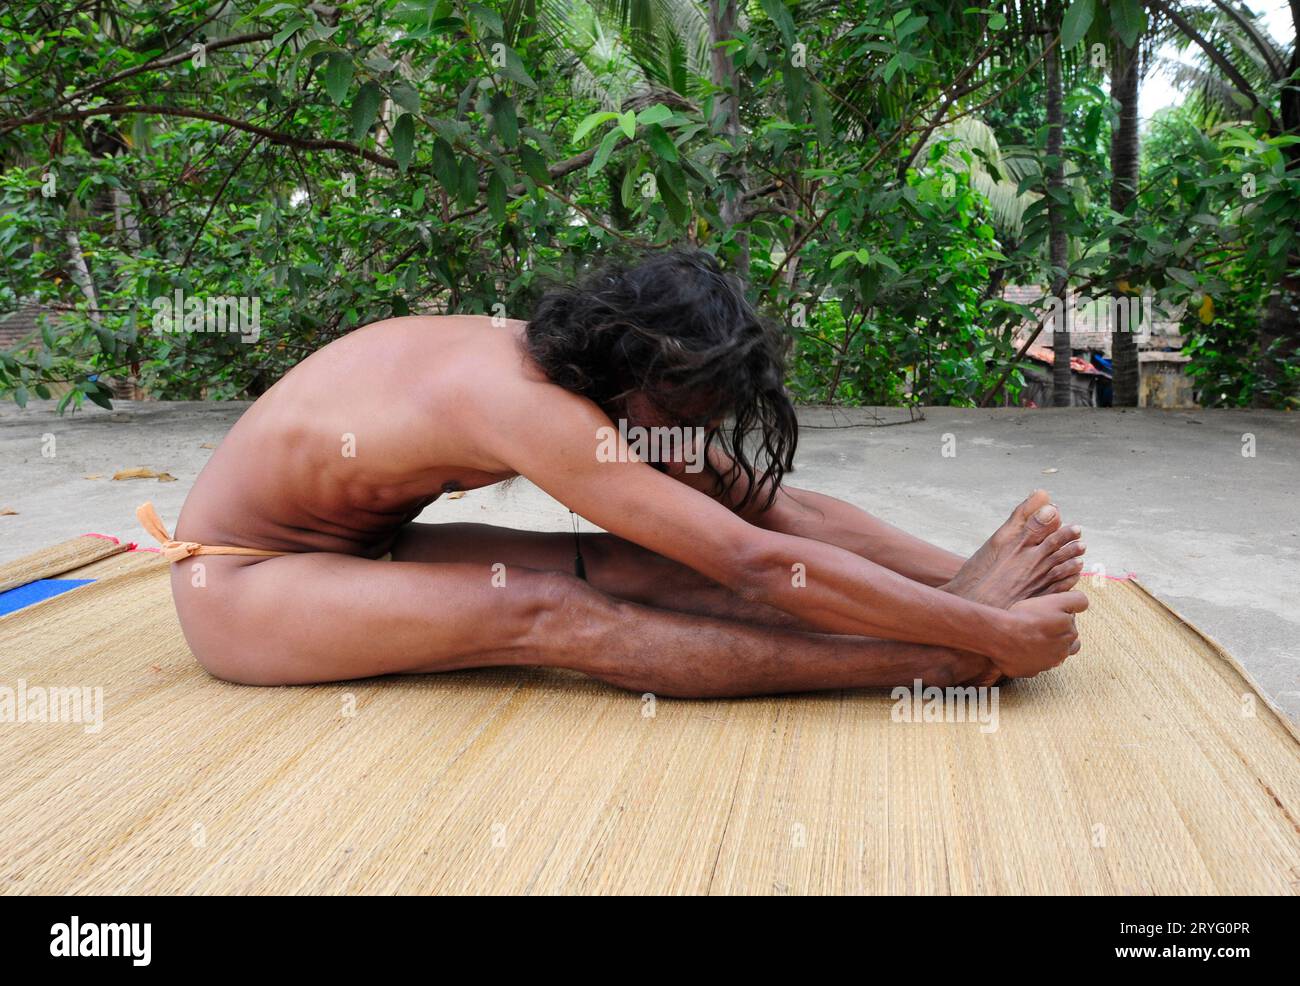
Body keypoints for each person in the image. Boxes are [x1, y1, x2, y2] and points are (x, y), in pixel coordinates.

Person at [141, 246, 1087, 696]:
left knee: (653, 564)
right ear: (635, 367)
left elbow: (767, 508)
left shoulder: (596, 367)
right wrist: (984, 633)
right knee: (558, 611)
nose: (691, 438)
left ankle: (956, 625)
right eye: (682, 417)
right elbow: (754, 561)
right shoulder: (523, 402)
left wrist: (959, 572)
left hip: (366, 548)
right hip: (241, 581)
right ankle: (935, 665)